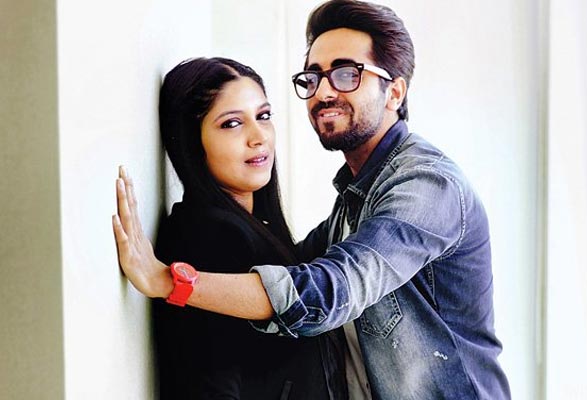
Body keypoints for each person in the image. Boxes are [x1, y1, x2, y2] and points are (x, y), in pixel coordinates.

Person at [114, 0, 511, 398]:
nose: (323, 91)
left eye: (346, 74)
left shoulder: (426, 187)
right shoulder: (355, 199)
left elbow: (332, 289)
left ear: (394, 92)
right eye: (314, 77)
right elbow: (293, 267)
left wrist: (169, 280)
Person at [128, 57, 343, 399]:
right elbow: (209, 387)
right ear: (192, 142)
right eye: (231, 124)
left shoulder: (253, 227)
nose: (258, 137)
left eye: (263, 116)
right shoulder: (208, 236)